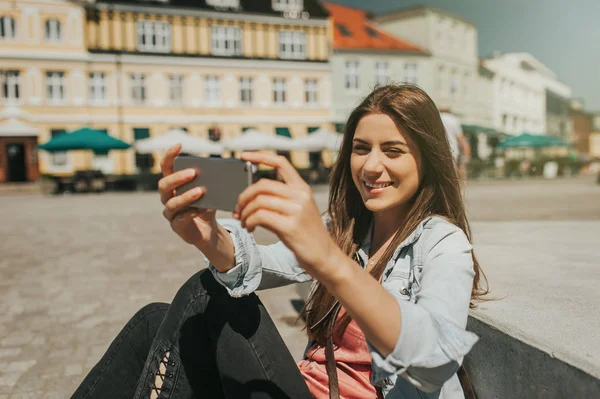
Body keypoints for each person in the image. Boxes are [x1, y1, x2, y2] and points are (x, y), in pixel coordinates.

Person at [72, 84, 487, 399]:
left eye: (393, 151)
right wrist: (208, 236)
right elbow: (265, 262)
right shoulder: (346, 229)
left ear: (427, 160)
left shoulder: (442, 244)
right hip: (301, 389)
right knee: (154, 318)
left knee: (205, 296)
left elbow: (436, 355)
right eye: (361, 149)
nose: (372, 166)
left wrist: (329, 262)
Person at [439, 108, 471, 180]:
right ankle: (455, 189)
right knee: (452, 174)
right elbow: (460, 139)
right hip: (452, 149)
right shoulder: (454, 120)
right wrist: (467, 153)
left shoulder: (436, 117)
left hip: (437, 149)